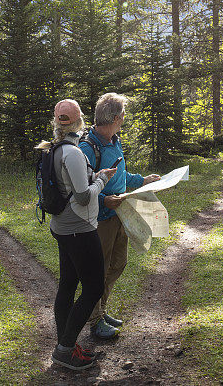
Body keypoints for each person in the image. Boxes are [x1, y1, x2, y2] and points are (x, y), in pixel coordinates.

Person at [37, 99, 118, 371]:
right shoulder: (71, 152)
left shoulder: (54, 147)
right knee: (93, 287)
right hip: (79, 228)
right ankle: (65, 349)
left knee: (68, 285)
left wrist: (96, 174)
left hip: (61, 226)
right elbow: (83, 196)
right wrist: (103, 180)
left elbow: (75, 182)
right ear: (79, 120)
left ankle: (65, 345)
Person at [80, 93, 160, 340]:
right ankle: (94, 321)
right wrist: (104, 200)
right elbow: (81, 190)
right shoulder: (87, 147)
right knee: (98, 270)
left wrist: (141, 181)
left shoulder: (115, 140)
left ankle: (101, 311)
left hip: (120, 213)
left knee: (119, 263)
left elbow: (120, 176)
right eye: (123, 115)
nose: (124, 118)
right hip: (99, 218)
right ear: (115, 117)